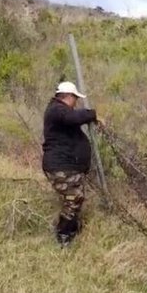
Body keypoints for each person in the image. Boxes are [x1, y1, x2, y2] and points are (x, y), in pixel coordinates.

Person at [42, 81, 103, 246]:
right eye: (75, 98)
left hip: (68, 165)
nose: (76, 102)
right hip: (61, 166)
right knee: (74, 198)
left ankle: (71, 229)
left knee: (75, 198)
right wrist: (92, 114)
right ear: (68, 97)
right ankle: (63, 235)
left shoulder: (59, 111)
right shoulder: (57, 110)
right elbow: (73, 117)